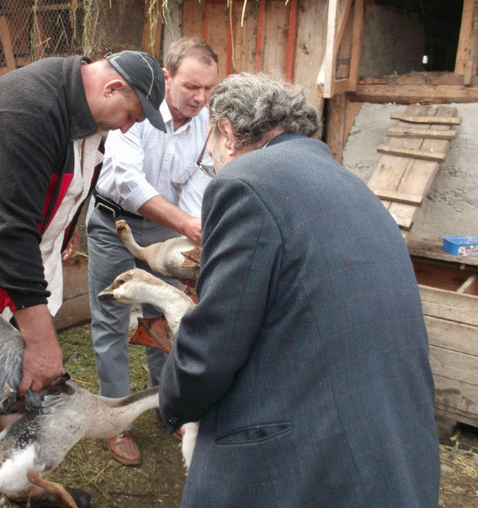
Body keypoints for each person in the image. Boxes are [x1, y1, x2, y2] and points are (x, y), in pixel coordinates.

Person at [158, 73, 441, 507]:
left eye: (210, 156)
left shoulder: (246, 182)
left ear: (228, 135)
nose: (213, 165)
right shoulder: (351, 184)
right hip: (392, 444)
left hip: (306, 464)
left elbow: (215, 342)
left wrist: (171, 402)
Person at [0, 50, 166, 508]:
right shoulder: (27, 107)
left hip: (24, 262)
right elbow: (8, 234)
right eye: (130, 115)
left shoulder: (92, 115)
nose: (129, 127)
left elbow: (75, 179)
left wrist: (64, 231)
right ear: (112, 88)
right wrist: (43, 343)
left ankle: (17, 481)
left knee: (17, 385)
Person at [86, 37, 219, 467]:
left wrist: (189, 235)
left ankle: (168, 406)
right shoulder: (139, 110)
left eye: (207, 89)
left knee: (163, 317)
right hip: (113, 223)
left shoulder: (206, 125)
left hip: (166, 227)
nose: (200, 98)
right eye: (191, 87)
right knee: (110, 320)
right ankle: (116, 421)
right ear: (167, 77)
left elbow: (200, 182)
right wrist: (184, 223)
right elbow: (124, 178)